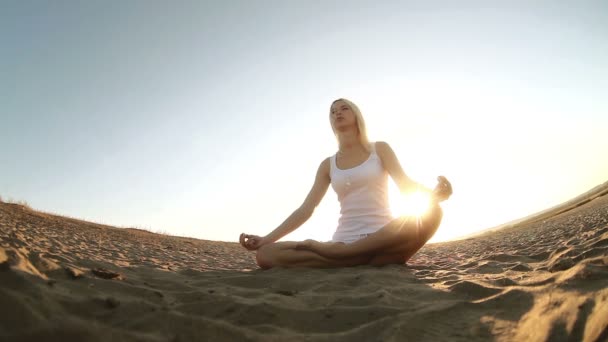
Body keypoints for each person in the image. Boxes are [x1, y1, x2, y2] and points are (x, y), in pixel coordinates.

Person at [239, 98, 452, 269]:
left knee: (434, 212)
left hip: (383, 235)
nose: (337, 113)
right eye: (332, 112)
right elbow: (306, 209)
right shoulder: (327, 165)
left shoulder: (380, 150)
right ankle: (358, 256)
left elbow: (406, 186)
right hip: (344, 240)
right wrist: (267, 239)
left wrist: (433, 196)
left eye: (343, 108)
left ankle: (344, 257)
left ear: (356, 115)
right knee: (265, 255)